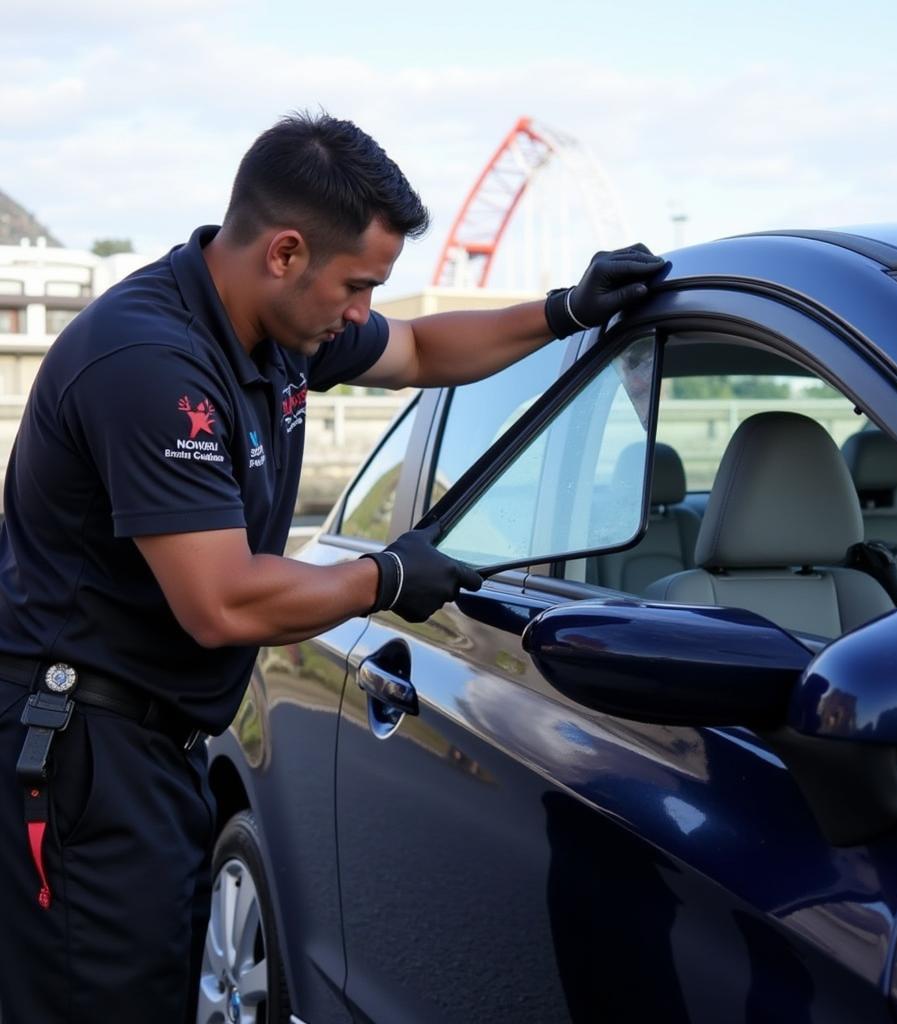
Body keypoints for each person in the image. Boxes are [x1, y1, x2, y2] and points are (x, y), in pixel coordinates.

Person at [0, 110, 664, 1023]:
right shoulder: (151, 363)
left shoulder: (277, 330)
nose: (363, 313)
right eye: (358, 286)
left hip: (154, 746)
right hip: (84, 751)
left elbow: (426, 350)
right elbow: (222, 604)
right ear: (283, 253)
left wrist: (565, 312)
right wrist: (383, 581)